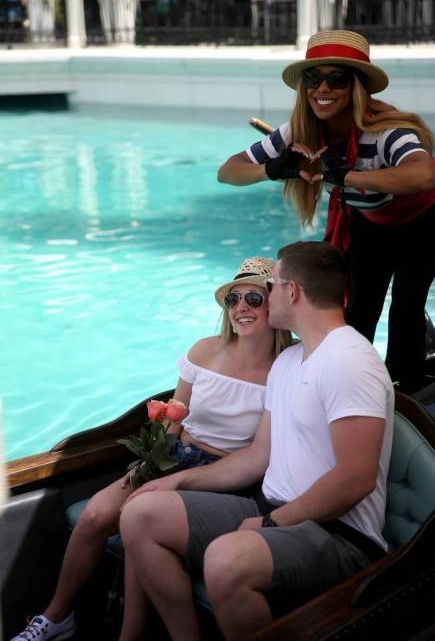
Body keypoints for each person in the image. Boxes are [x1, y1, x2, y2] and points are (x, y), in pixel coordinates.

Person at [118, 240, 394, 641]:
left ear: (292, 291)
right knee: (140, 514)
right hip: (271, 507)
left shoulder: (350, 361)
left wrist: (271, 522)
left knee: (225, 560)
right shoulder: (288, 361)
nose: (268, 295)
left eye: (273, 285)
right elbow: (257, 456)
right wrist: (177, 480)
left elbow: (356, 478)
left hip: (339, 535)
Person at [10, 257, 291, 641]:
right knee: (94, 516)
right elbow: (173, 419)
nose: (241, 308)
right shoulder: (204, 351)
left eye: (254, 299)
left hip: (224, 476)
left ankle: (129, 634)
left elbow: (260, 455)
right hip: (175, 457)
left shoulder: (286, 369)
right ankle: (57, 617)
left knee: (135, 521)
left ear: (274, 304)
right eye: (234, 300)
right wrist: (149, 461)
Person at [218, 29, 435, 394]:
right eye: (313, 78)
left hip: (423, 222)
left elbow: (424, 174)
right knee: (359, 308)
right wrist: (271, 169)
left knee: (406, 307)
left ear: (357, 86)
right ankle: (347, 382)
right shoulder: (298, 132)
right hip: (370, 222)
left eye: (336, 79)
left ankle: (407, 389)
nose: (323, 88)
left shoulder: (386, 131)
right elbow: (228, 171)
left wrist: (348, 175)